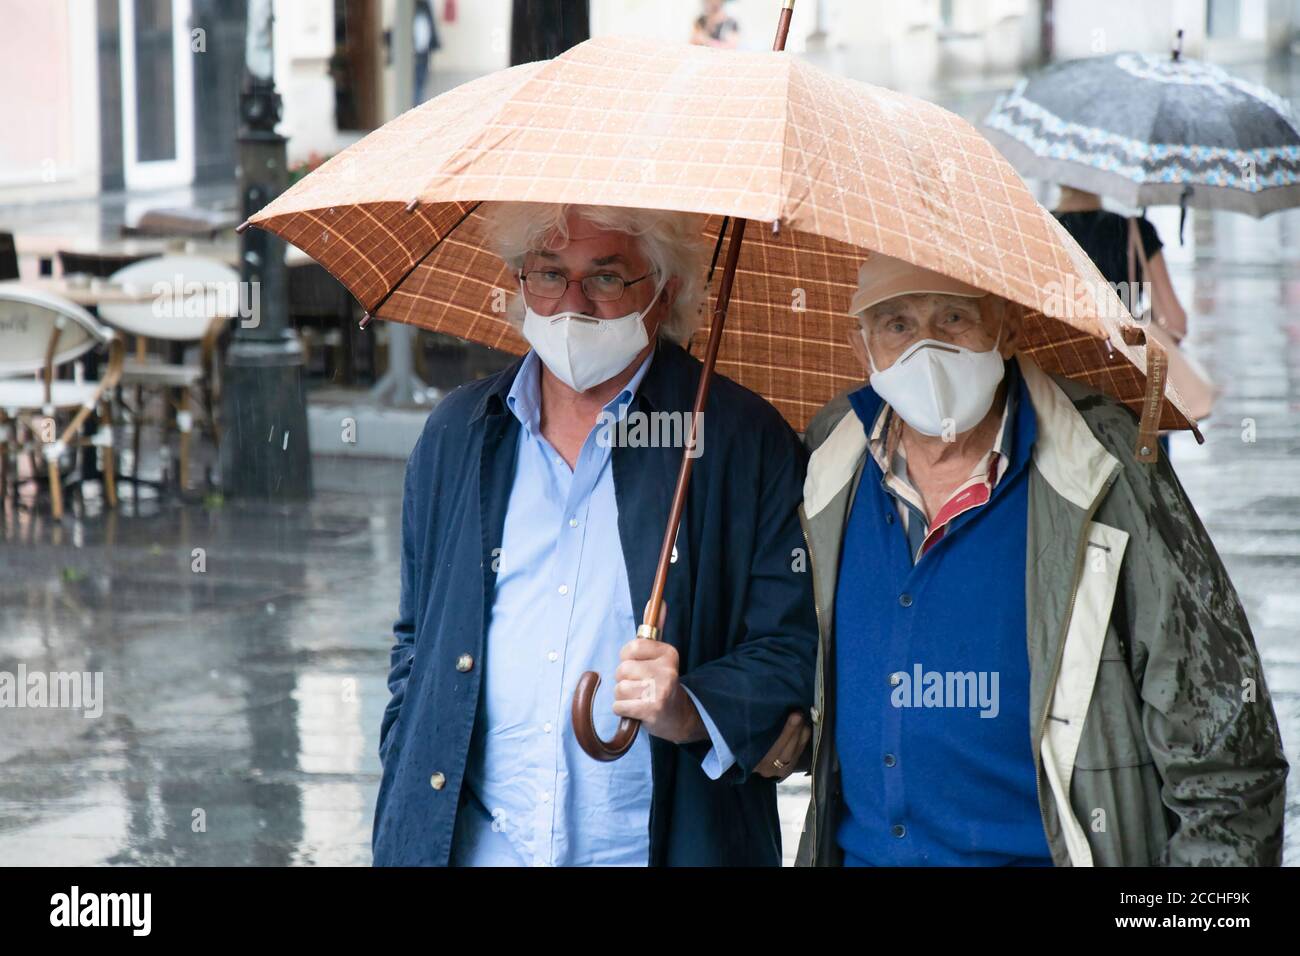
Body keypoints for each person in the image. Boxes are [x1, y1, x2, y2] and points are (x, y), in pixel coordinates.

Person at [783, 252, 1287, 866]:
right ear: (860, 343)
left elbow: (1229, 757)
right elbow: (782, 656)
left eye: (953, 318)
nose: (926, 350)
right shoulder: (829, 458)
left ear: (1008, 326)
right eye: (897, 325)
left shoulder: (1106, 465)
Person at [372, 202, 817, 866]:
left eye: (606, 278)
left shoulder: (740, 439)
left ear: (662, 296)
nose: (571, 304)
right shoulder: (458, 434)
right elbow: (417, 643)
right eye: (549, 273)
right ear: (520, 282)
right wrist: (409, 752)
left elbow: (791, 649)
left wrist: (691, 708)